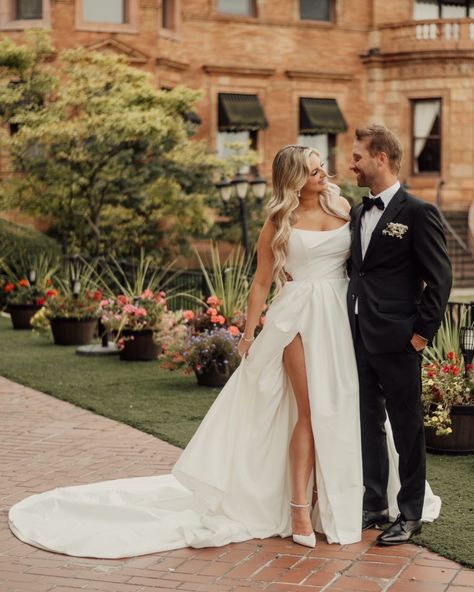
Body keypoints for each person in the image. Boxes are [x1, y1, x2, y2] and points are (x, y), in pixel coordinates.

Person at [8, 145, 439, 559]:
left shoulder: (346, 207)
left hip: (343, 318)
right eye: (312, 168)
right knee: (309, 411)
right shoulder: (279, 220)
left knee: (343, 410)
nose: (323, 171)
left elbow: (363, 262)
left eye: (321, 164)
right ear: (293, 179)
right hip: (296, 319)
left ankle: (347, 499)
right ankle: (298, 510)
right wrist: (249, 333)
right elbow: (260, 282)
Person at [347, 124, 452, 545]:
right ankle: (374, 504)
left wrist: (420, 336)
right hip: (359, 333)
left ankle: (409, 513)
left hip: (399, 339)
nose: (351, 163)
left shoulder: (418, 212)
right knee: (368, 422)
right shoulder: (358, 211)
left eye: (357, 156)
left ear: (380, 158)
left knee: (406, 427)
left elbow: (439, 280)